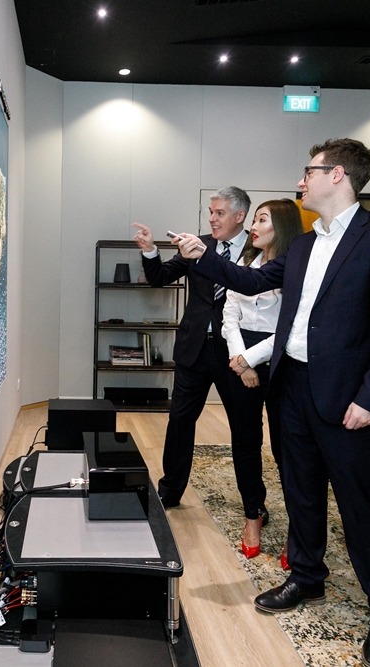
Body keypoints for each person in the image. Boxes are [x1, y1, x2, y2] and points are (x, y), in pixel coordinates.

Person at [175, 138, 370, 667]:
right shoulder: (303, 245)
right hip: (292, 387)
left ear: (339, 175)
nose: (301, 181)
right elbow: (252, 279)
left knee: (363, 507)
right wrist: (204, 256)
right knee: (301, 491)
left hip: (350, 397)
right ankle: (307, 577)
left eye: (309, 172)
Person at [132, 186, 251, 509]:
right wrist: (150, 250)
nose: (212, 219)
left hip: (237, 354)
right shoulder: (199, 244)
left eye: (220, 213)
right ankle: (169, 492)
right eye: (210, 212)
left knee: (244, 430)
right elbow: (160, 277)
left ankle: (253, 502)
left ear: (240, 216)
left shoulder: (257, 248)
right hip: (193, 350)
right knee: (180, 422)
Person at [221, 199, 303, 563]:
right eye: (254, 219)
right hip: (242, 358)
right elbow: (229, 315)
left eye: (262, 219)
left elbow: (290, 327)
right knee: (245, 442)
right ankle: (252, 515)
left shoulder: (295, 270)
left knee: (288, 450)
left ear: (281, 227)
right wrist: (241, 362)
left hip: (282, 360)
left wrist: (251, 359)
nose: (253, 226)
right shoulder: (245, 264)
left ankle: (298, 529)